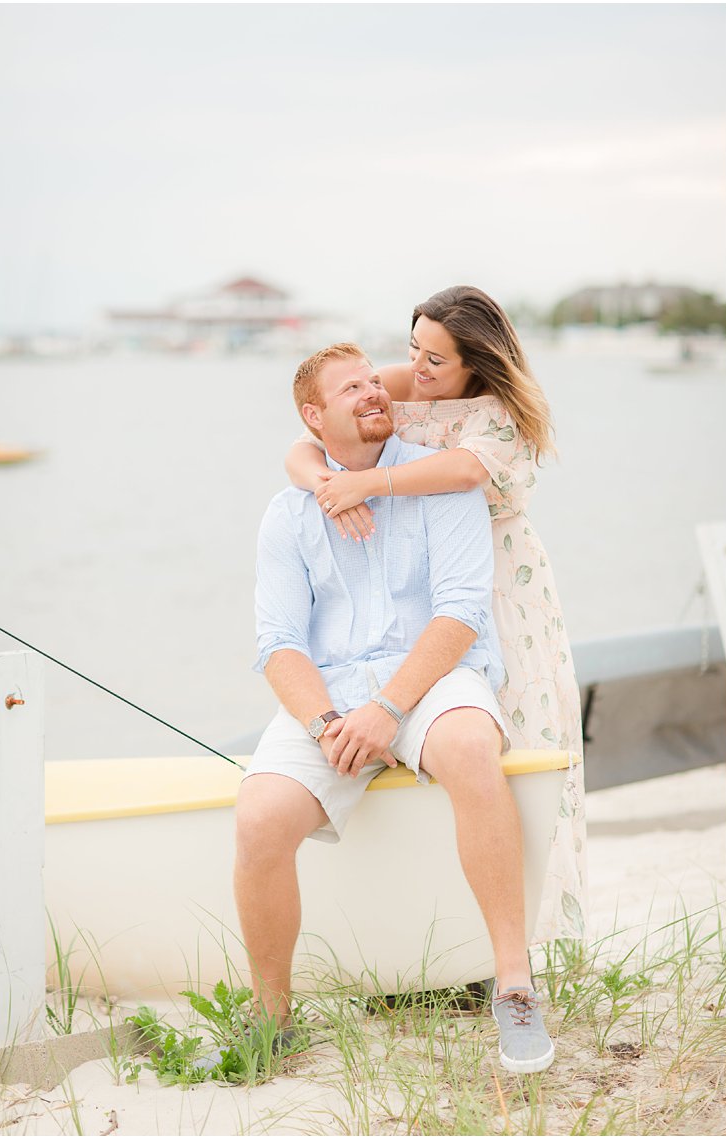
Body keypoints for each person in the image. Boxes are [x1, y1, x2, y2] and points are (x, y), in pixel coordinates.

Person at [241, 342, 554, 1074]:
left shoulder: (441, 485)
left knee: (473, 749)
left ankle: (514, 986)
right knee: (257, 818)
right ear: (314, 416)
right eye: (351, 388)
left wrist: (387, 706)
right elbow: (279, 644)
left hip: (432, 677)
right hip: (333, 693)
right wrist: (324, 723)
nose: (373, 392)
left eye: (372, 381)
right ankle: (272, 1017)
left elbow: (459, 615)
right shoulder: (289, 515)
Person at [284, 285, 585, 944]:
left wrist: (365, 483)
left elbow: (456, 472)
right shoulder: (405, 379)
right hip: (424, 581)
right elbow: (307, 442)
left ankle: (528, 934)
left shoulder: (501, 412)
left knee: (515, 747)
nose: (416, 370)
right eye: (414, 349)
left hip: (502, 586)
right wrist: (324, 486)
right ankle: (438, 926)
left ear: (477, 360)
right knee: (426, 738)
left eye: (435, 361)